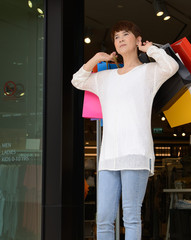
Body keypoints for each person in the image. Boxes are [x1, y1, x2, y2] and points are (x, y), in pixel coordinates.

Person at [71, 20, 179, 240]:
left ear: (137, 40)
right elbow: (77, 80)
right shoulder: (105, 78)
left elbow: (171, 67)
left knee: (130, 216)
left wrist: (150, 49)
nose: (119, 40)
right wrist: (96, 59)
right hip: (109, 157)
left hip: (136, 154)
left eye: (125, 35)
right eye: (116, 37)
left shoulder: (150, 72)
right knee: (103, 219)